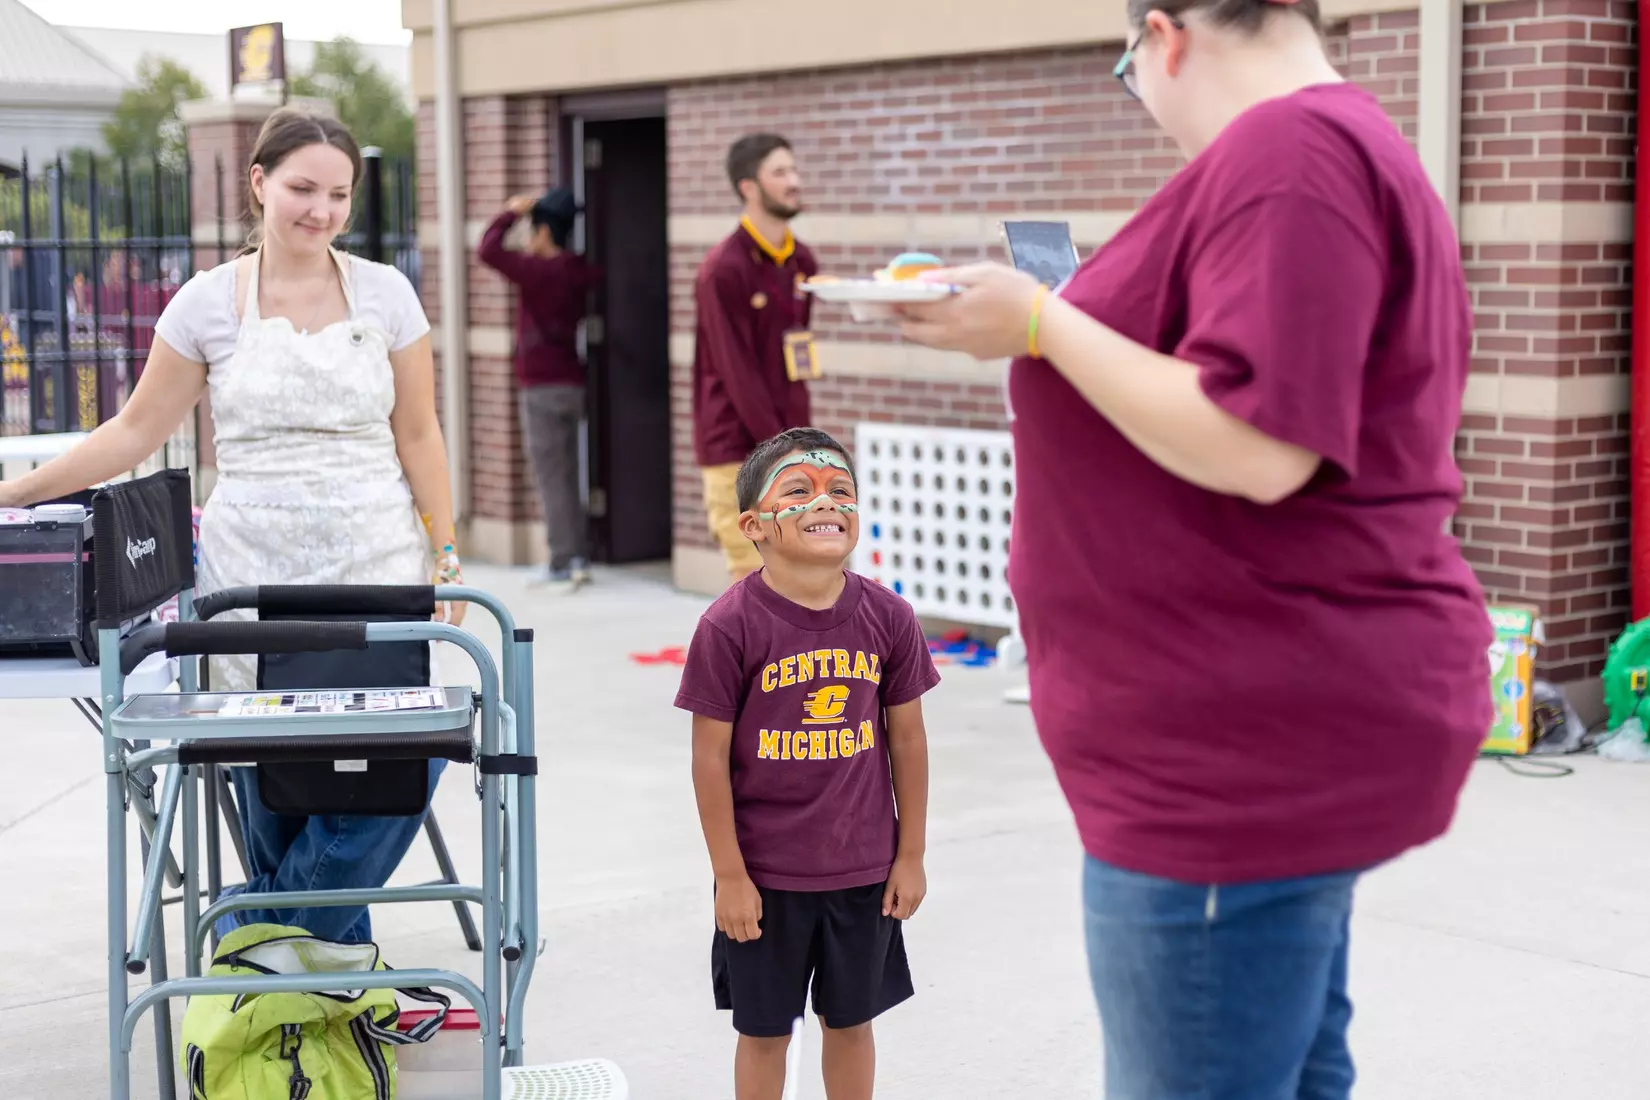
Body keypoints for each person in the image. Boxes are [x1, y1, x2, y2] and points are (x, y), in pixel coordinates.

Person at [895, 0, 1494, 1096]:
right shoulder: (1334, 146)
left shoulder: (1288, 152)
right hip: (1265, 721)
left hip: (1232, 751)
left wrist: (1038, 320)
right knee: (1294, 1067)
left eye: (1131, 70)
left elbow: (1258, 439)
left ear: (1164, 36)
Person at [0, 106, 467, 945]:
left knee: (407, 754)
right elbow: (134, 432)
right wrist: (16, 494)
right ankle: (310, 1001)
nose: (319, 210)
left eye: (337, 194)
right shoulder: (206, 303)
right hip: (250, 577)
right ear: (258, 185)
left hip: (380, 564)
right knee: (272, 777)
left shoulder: (389, 294)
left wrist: (448, 549)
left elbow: (421, 433)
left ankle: (258, 937)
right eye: (301, 188)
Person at [675, 427, 939, 1100]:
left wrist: (910, 855)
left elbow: (906, 740)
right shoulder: (728, 627)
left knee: (851, 1024)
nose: (826, 499)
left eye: (841, 489)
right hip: (765, 879)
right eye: (800, 489)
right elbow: (709, 761)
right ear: (753, 525)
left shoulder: (888, 617)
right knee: (764, 1032)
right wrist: (728, 875)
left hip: (864, 872)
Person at [692, 134, 819, 583]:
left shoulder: (802, 260)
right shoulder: (723, 269)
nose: (794, 182)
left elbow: (797, 358)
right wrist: (782, 449)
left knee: (801, 575)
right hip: (736, 447)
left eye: (794, 170)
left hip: (791, 444)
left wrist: (804, 447)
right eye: (780, 173)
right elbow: (737, 372)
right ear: (749, 187)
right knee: (753, 581)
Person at [478, 187, 601, 591]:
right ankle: (577, 553)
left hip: (541, 388)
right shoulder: (580, 270)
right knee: (571, 472)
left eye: (534, 230)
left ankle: (563, 560)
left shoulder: (536, 271)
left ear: (545, 232)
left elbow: (488, 250)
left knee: (552, 476)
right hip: (574, 382)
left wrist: (510, 213)